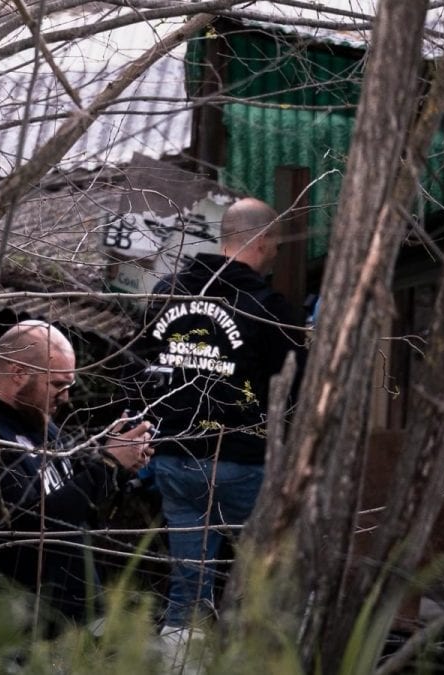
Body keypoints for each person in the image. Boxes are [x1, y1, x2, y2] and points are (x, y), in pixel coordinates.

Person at [138, 198, 306, 640]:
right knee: (266, 583)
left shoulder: (167, 292)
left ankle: (180, 662)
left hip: (174, 460)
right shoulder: (269, 308)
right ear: (266, 240)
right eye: (276, 244)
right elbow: (296, 390)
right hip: (244, 466)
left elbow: (140, 370)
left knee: (188, 590)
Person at [0, 320, 154, 628]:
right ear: (19, 373)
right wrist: (106, 464)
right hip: (16, 624)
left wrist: (118, 467)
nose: (65, 397)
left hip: (73, 619)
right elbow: (25, 528)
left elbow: (71, 504)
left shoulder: (38, 421)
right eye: (58, 385)